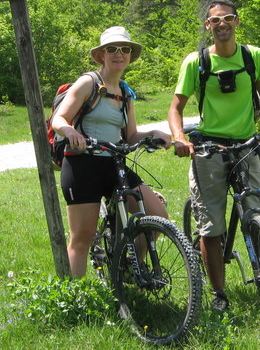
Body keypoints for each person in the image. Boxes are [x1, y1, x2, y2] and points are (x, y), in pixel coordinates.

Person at [168, 0, 260, 312]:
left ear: (237, 22)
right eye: (215, 20)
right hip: (209, 149)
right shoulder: (195, 62)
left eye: (228, 18)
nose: (222, 24)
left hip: (246, 146)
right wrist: (179, 138)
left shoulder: (253, 57)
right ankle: (219, 295)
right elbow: (175, 108)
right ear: (208, 26)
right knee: (211, 226)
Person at [52, 26, 172, 278]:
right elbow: (59, 118)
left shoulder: (126, 93)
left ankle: (129, 268)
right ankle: (76, 297)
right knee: (82, 238)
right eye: (112, 49)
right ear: (102, 55)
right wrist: (71, 132)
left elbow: (130, 136)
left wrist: (154, 135)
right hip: (81, 164)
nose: (119, 54)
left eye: (124, 49)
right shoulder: (89, 83)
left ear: (130, 55)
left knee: (157, 214)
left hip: (113, 164)